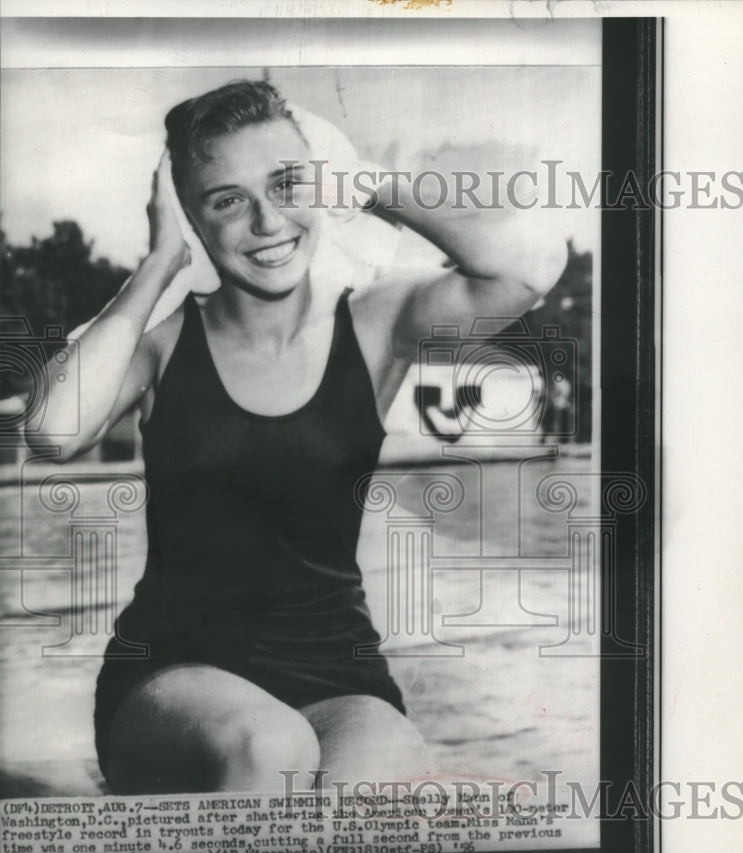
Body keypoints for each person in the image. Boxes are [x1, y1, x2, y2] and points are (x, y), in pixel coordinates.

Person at [29, 80, 567, 795]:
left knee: (376, 785)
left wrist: (363, 182)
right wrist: (158, 264)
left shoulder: (374, 325)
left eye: (287, 184)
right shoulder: (161, 344)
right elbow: (53, 432)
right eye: (227, 200)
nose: (267, 220)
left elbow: (529, 266)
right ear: (192, 219)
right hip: (172, 674)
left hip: (337, 672)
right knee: (268, 747)